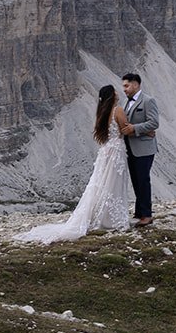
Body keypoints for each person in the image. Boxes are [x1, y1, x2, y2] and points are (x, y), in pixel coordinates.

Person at [14, 84, 131, 244]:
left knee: (103, 183)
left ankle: (104, 216)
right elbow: (125, 129)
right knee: (114, 183)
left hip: (105, 151)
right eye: (115, 91)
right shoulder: (118, 110)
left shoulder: (101, 112)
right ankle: (111, 219)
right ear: (112, 95)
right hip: (116, 151)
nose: (118, 93)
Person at [119, 72, 159, 226]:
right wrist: (140, 130)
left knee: (143, 180)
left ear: (135, 84)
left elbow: (154, 122)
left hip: (144, 148)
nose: (124, 89)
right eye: (123, 86)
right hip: (130, 147)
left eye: (126, 86)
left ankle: (147, 215)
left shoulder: (148, 101)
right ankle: (139, 211)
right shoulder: (125, 102)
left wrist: (135, 128)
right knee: (136, 180)